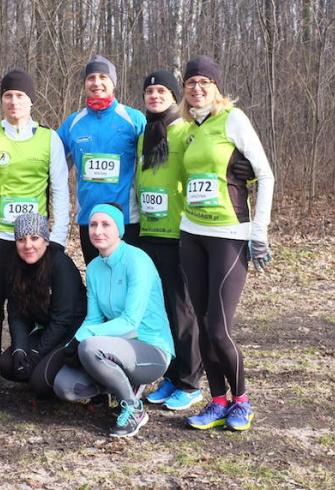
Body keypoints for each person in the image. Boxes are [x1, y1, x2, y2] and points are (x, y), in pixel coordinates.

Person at [178, 56, 274, 431]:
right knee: (203, 326)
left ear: (216, 87)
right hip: (192, 234)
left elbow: (265, 175)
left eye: (205, 82)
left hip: (229, 236)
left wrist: (259, 232)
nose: (197, 88)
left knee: (219, 329)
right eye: (191, 82)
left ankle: (242, 402)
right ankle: (218, 401)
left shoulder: (233, 119)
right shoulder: (189, 128)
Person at [0, 69, 70, 370]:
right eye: (8, 96)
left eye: (20, 95)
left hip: (34, 241)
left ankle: (33, 363)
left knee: (31, 304)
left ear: (31, 100)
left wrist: (58, 237)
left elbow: (60, 190)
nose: (13, 102)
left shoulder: (49, 139)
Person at [54, 203, 175, 438]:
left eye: (105, 224)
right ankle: (117, 383)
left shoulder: (137, 261)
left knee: (89, 347)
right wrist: (71, 344)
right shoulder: (94, 268)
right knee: (64, 386)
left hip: (151, 349)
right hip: (114, 348)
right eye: (93, 225)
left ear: (119, 229)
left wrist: (82, 338)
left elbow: (130, 322)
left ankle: (133, 408)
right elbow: (93, 318)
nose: (98, 231)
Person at [134, 70, 204, 411]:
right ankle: (172, 377)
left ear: (174, 96)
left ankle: (190, 382)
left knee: (182, 310)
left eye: (162, 91)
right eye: (149, 92)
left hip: (178, 234)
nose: (155, 96)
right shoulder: (144, 135)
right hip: (149, 233)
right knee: (160, 311)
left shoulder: (186, 130)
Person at [57, 55, 146, 264]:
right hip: (89, 221)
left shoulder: (133, 119)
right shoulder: (73, 123)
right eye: (91, 78)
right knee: (96, 277)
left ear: (113, 82)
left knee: (126, 279)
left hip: (125, 220)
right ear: (84, 84)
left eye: (103, 77)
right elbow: (51, 162)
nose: (96, 82)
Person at [0, 213, 86, 397]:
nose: (28, 245)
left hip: (72, 332)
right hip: (47, 330)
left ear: (46, 240)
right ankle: (41, 366)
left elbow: (62, 320)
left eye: (34, 238)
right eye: (21, 239)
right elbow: (16, 314)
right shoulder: (15, 265)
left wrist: (36, 354)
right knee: (7, 364)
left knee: (39, 381)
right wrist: (20, 350)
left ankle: (77, 375)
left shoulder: (61, 265)